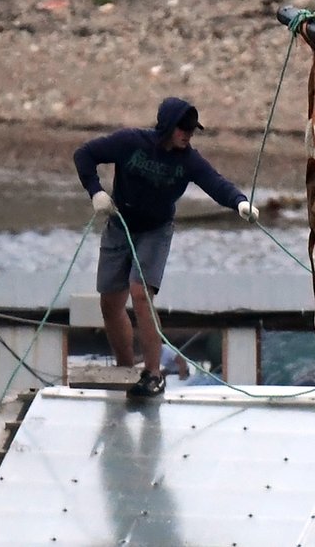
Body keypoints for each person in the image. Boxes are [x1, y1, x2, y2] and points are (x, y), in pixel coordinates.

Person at [74, 96, 258, 398]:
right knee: (110, 302)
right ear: (167, 127)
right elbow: (84, 154)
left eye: (192, 129)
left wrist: (240, 203)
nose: (187, 134)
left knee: (140, 294)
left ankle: (153, 373)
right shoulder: (129, 142)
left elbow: (215, 182)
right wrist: (96, 192)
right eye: (182, 128)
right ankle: (125, 368)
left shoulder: (188, 160)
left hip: (156, 232)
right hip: (120, 225)